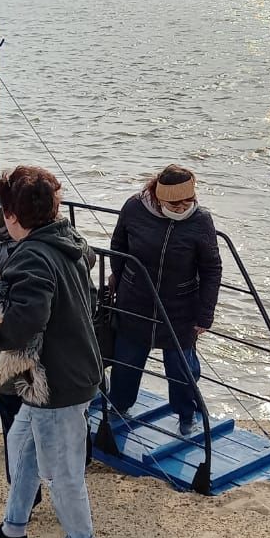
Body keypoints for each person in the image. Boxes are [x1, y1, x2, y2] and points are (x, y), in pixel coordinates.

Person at [0, 166, 102, 538]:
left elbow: (27, 318)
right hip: (54, 375)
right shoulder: (70, 240)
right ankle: (13, 530)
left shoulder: (31, 253)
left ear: (13, 216)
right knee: (23, 448)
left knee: (63, 468)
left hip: (57, 381)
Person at [106, 164, 222, 436]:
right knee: (127, 363)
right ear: (158, 197)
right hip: (135, 301)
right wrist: (121, 282)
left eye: (187, 202)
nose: (182, 208)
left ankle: (186, 415)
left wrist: (205, 315)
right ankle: (119, 407)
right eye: (174, 203)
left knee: (182, 369)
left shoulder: (201, 220)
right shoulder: (134, 207)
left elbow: (211, 269)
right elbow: (118, 245)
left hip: (180, 307)